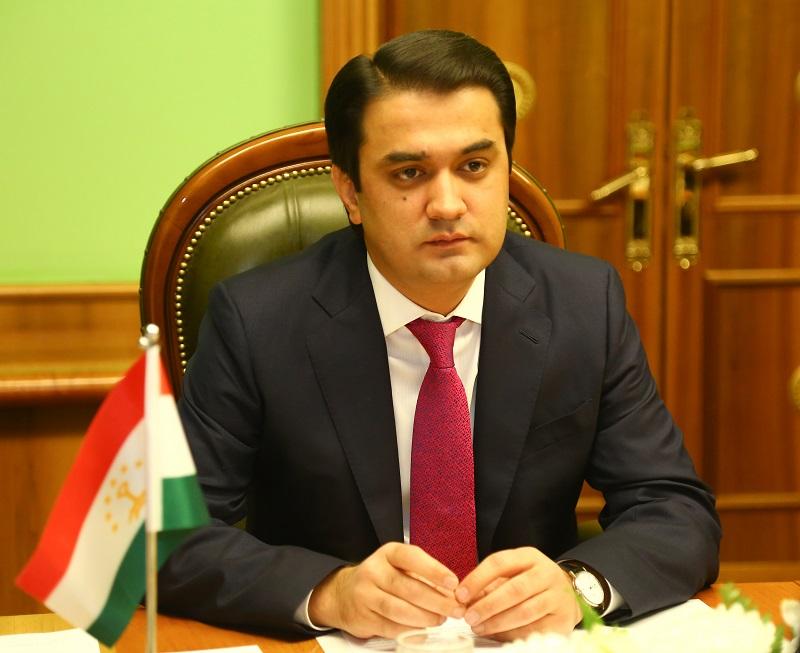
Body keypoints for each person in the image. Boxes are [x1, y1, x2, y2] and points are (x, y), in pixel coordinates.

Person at [158, 29, 720, 641]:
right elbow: (170, 538)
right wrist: (328, 592)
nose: (448, 204)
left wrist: (578, 587)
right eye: (409, 172)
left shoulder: (584, 304)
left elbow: (675, 511)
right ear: (351, 192)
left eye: (474, 166)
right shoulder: (257, 319)